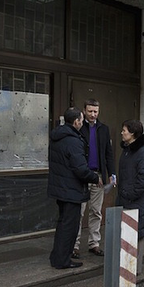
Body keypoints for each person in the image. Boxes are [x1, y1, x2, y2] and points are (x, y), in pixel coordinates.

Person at [47, 107, 101, 269]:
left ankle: (57, 256)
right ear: (76, 121)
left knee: (63, 223)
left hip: (61, 189)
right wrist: (94, 177)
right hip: (71, 190)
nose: (83, 122)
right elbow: (80, 169)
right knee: (69, 227)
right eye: (82, 119)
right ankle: (62, 260)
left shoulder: (57, 137)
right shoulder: (73, 140)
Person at [73, 98, 116, 259]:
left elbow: (108, 153)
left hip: (98, 177)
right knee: (79, 212)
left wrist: (112, 174)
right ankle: (74, 245)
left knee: (96, 212)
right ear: (84, 111)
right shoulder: (78, 128)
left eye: (95, 111)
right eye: (90, 111)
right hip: (82, 177)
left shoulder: (103, 129)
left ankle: (94, 244)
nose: (92, 114)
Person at [117, 120, 144, 274]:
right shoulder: (127, 150)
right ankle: (126, 267)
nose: (122, 132)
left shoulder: (141, 152)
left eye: (124, 130)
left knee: (137, 234)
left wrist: (130, 194)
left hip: (135, 201)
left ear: (132, 133)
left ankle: (135, 271)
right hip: (124, 199)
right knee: (125, 233)